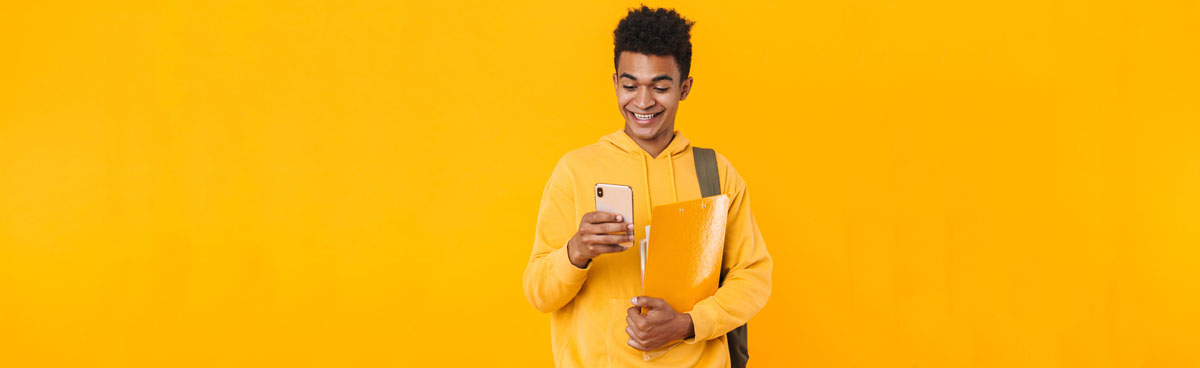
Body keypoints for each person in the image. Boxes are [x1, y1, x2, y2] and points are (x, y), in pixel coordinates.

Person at [522, 6, 773, 367]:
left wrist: (687, 324)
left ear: (684, 88)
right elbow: (539, 293)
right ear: (615, 84)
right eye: (630, 86)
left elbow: (754, 276)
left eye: (659, 87)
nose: (642, 102)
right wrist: (575, 252)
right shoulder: (575, 171)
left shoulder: (715, 173)